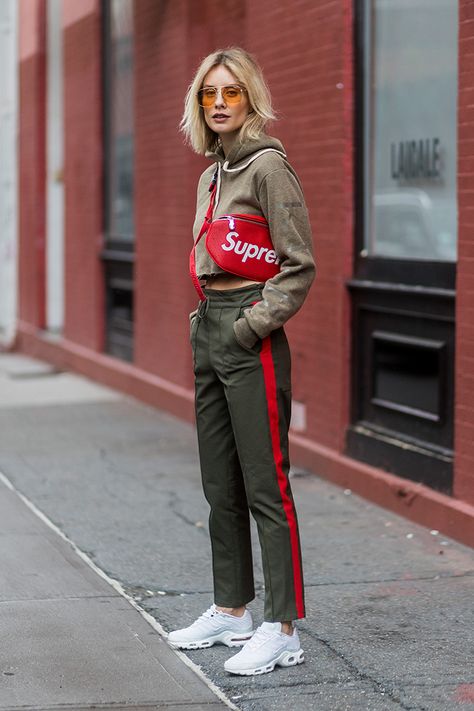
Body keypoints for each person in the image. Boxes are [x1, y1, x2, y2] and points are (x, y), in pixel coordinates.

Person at [168, 47, 315, 677]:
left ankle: (282, 627)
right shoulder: (211, 175)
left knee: (266, 485)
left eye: (231, 92)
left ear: (250, 98)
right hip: (209, 330)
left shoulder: (267, 168)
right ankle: (233, 609)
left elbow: (298, 264)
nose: (220, 103)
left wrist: (252, 325)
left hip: (248, 332)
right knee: (218, 484)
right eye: (209, 94)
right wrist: (207, 326)